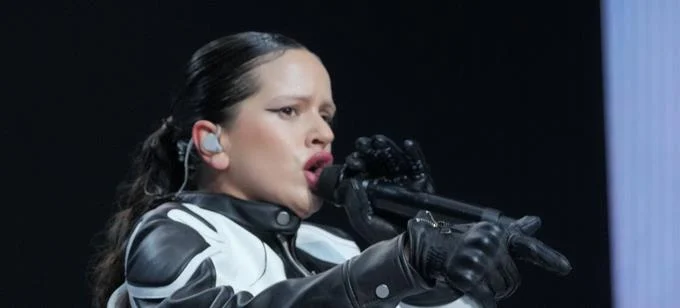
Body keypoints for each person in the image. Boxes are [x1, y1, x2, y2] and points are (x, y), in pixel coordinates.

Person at [90, 31, 572, 308]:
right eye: (288, 111)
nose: (323, 133)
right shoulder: (173, 233)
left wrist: (420, 253)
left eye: (326, 114)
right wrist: (398, 262)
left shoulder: (334, 248)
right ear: (213, 141)